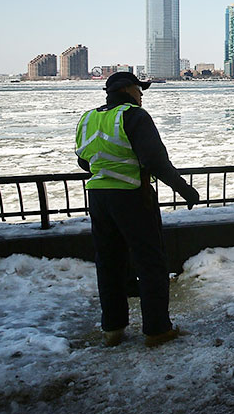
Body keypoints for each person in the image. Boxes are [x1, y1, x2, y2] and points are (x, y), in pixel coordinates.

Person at [75, 72, 200, 347]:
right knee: (150, 261)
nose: (142, 95)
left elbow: (84, 161)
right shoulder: (134, 116)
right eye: (140, 89)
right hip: (132, 196)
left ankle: (113, 329)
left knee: (108, 262)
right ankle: (157, 329)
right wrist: (185, 190)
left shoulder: (88, 119)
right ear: (129, 90)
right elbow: (156, 161)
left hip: (98, 197)